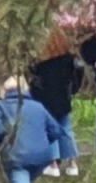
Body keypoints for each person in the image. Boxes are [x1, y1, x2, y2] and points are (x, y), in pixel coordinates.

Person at [25, 28, 84, 172]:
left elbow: (36, 84)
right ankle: (72, 164)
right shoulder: (69, 60)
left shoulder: (42, 65)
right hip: (63, 99)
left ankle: (53, 164)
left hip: (46, 101)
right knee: (66, 129)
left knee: (48, 131)